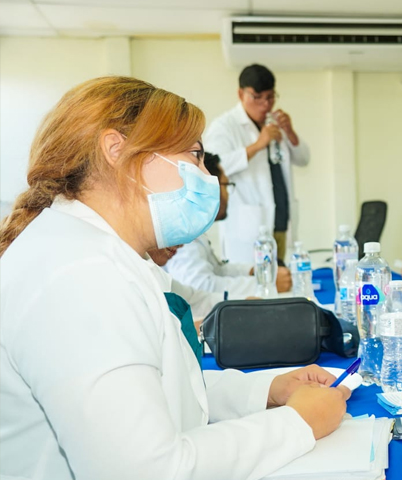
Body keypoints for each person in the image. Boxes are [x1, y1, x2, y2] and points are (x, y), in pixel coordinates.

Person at [0, 76, 348, 479]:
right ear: (117, 150)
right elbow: (145, 469)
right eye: (195, 156)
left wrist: (267, 392)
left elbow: (162, 391)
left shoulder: (102, 254)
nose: (207, 176)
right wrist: (297, 424)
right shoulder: (79, 276)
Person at [204, 64, 309, 262]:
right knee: (254, 285)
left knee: (283, 284)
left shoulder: (275, 123)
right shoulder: (225, 126)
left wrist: (291, 132)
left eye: (270, 97)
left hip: (281, 223)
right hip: (249, 230)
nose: (265, 104)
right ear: (241, 94)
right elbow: (215, 167)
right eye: (257, 97)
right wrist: (258, 145)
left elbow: (304, 159)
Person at [165, 152, 292, 297]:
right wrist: (265, 283)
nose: (228, 194)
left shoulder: (195, 230)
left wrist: (252, 270)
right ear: (209, 187)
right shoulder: (183, 233)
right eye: (225, 185)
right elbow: (201, 286)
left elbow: (217, 270)